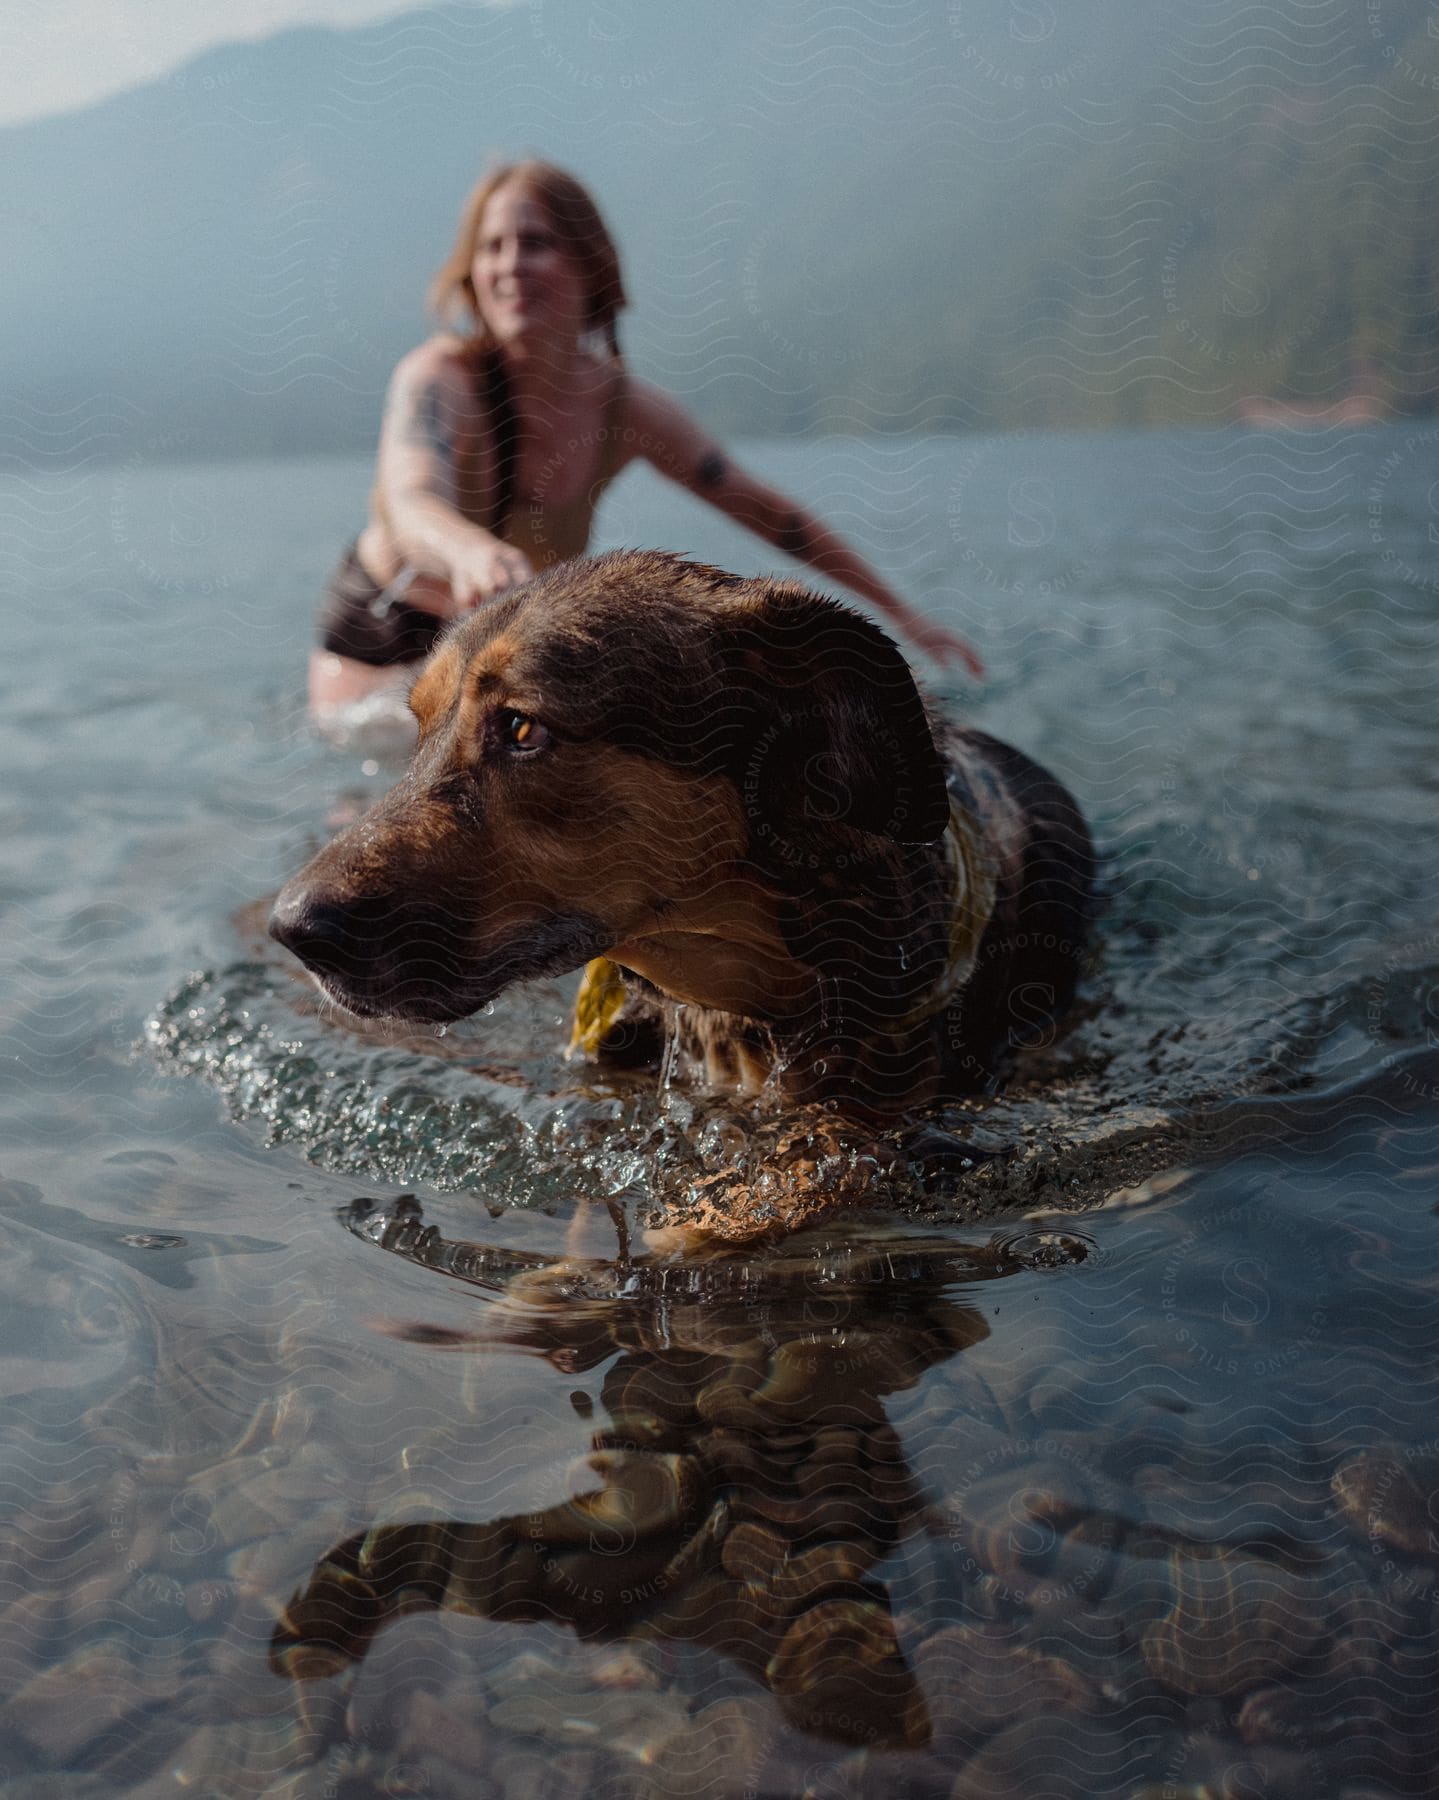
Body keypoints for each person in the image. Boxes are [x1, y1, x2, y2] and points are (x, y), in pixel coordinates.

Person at [310, 161, 983, 722]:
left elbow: (770, 516)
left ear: (591, 267)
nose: (509, 265)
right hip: (386, 634)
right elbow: (410, 498)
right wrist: (474, 554)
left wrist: (901, 617)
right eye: (491, 247)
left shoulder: (625, 410)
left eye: (536, 242)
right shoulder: (438, 379)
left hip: (503, 644)